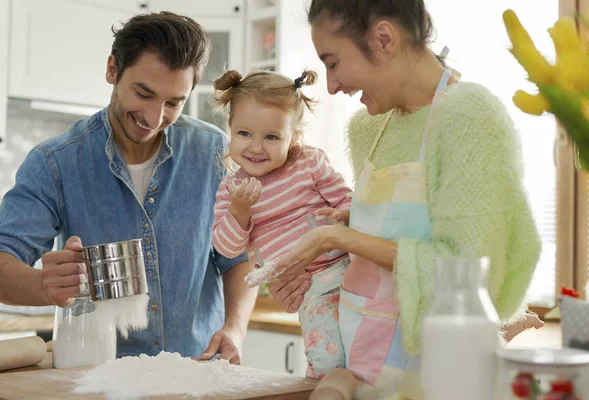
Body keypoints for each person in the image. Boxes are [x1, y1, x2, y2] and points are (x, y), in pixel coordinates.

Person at [263, 0, 544, 398]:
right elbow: (380, 257)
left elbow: (470, 275)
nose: (331, 85)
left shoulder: (469, 116)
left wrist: (338, 239)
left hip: (439, 380)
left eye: (333, 62)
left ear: (383, 39)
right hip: (364, 377)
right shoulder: (369, 128)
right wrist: (307, 277)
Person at [0, 12, 256, 363]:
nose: (153, 118)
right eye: (144, 93)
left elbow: (238, 258)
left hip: (198, 374)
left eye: (173, 103)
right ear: (112, 70)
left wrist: (235, 327)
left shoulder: (213, 152)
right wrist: (43, 284)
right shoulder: (55, 163)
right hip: (99, 380)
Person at [210, 69, 353, 379]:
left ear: (294, 137)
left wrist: (343, 216)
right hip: (310, 291)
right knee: (327, 360)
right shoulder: (231, 190)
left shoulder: (310, 163)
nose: (256, 147)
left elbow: (348, 202)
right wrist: (239, 210)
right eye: (244, 134)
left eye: (271, 137)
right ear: (230, 130)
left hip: (348, 271)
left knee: (364, 355)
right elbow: (227, 246)